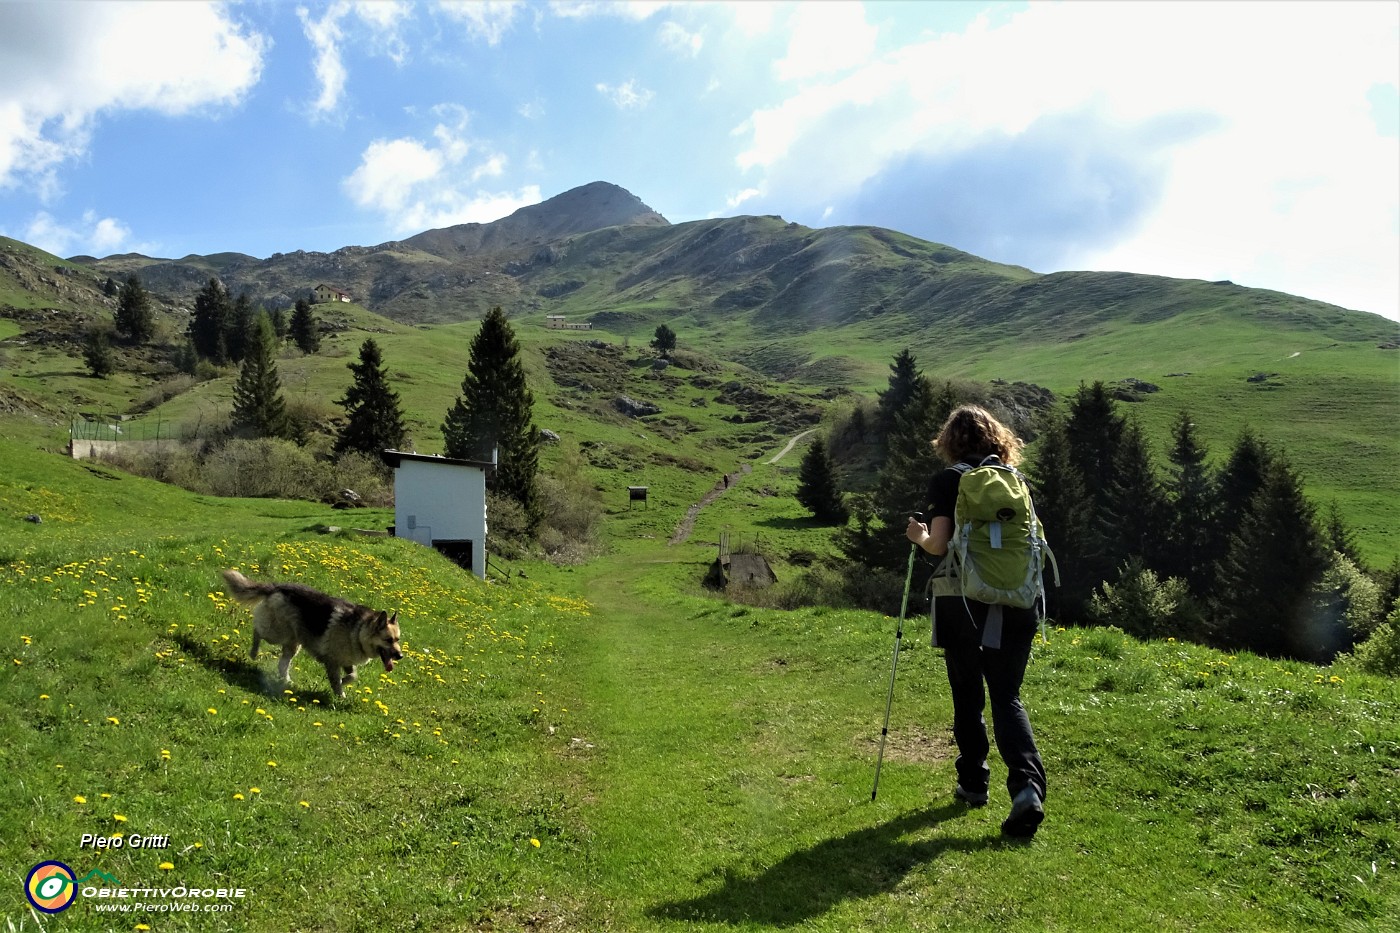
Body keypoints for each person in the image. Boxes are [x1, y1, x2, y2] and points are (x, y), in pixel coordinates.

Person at [905, 405, 1047, 838]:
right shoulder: (1015, 482)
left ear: (949, 440)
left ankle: (973, 783)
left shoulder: (950, 480)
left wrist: (918, 536)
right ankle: (1027, 790)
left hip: (963, 601)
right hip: (1019, 600)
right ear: (999, 438)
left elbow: (939, 545)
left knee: (967, 693)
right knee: (1007, 696)